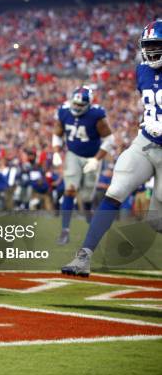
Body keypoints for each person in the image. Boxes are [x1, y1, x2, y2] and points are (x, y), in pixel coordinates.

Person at [62, 20, 162, 277]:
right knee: (116, 189)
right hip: (146, 140)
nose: (152, 52)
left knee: (155, 219)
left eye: (157, 46)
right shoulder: (143, 71)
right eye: (148, 46)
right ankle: (84, 255)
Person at [52, 86, 114, 245]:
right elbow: (57, 134)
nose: (77, 107)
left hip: (92, 157)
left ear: (88, 104)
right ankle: (65, 231)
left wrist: (97, 159)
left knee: (86, 196)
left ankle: (88, 215)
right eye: (75, 103)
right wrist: (57, 152)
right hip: (73, 154)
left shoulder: (97, 115)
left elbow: (109, 140)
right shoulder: (64, 111)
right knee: (70, 189)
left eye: (81, 105)